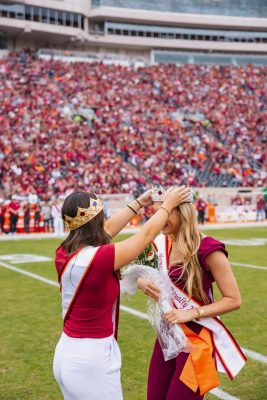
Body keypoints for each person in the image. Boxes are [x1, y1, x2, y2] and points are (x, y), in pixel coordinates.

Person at [53, 186, 191, 400]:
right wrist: (168, 205)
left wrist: (139, 202)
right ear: (96, 221)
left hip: (67, 353)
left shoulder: (65, 251)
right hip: (91, 360)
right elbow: (145, 235)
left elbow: (107, 231)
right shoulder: (99, 258)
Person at [137, 189, 246, 400]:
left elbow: (234, 300)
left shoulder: (208, 248)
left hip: (197, 339)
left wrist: (192, 313)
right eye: (156, 212)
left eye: (166, 211)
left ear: (183, 212)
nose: (160, 217)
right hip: (167, 336)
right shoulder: (161, 242)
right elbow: (135, 270)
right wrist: (141, 281)